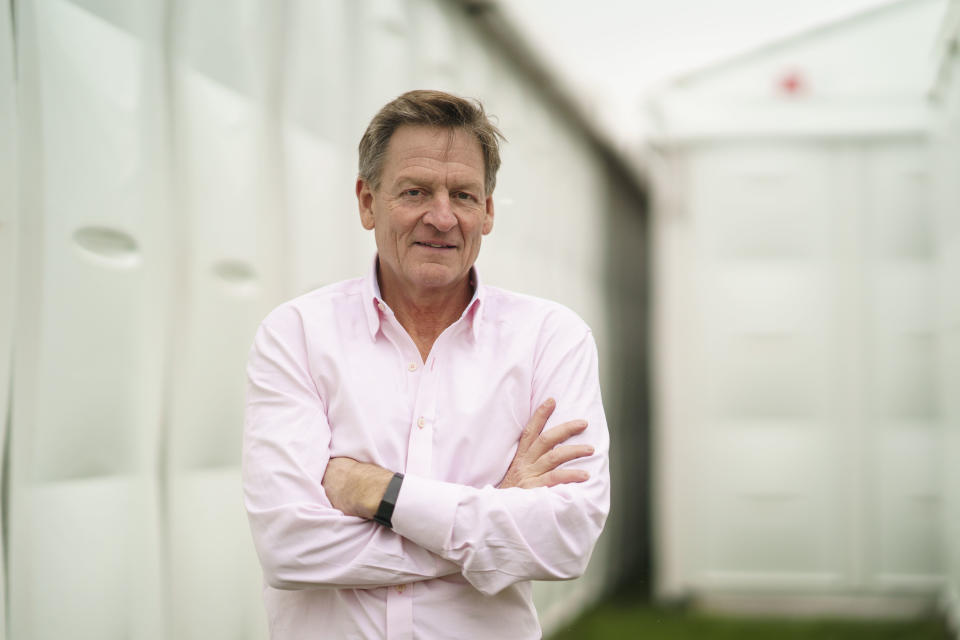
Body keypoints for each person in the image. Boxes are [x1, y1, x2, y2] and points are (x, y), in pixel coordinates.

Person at [243, 89, 610, 639]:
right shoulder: (296, 335)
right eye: (415, 191)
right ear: (367, 202)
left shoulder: (551, 339)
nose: (441, 217)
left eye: (463, 195)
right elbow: (290, 548)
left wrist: (383, 493)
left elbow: (566, 540)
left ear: (487, 212)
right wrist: (495, 518)